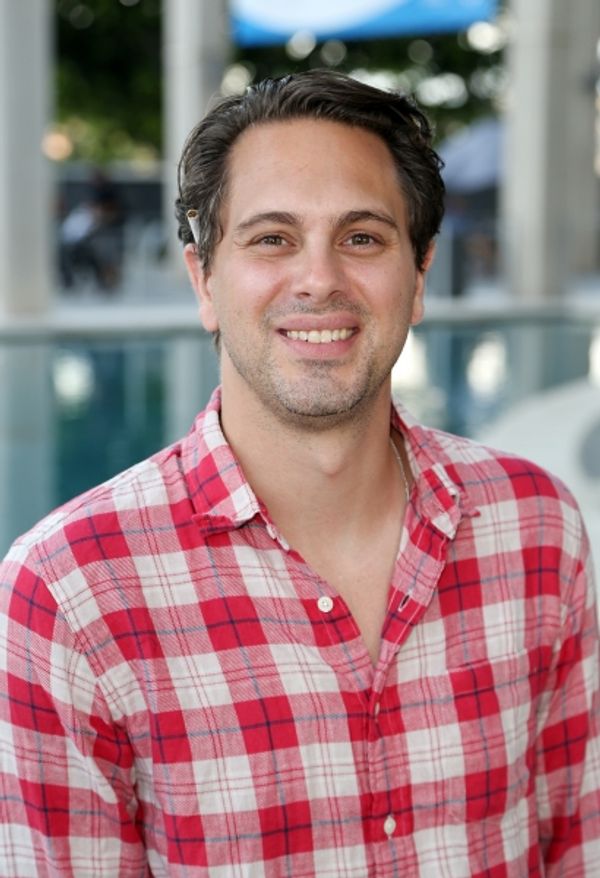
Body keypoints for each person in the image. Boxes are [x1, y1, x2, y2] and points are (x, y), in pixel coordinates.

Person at [1, 71, 599, 877]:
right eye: (272, 239)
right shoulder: (68, 594)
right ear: (204, 280)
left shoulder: (537, 528)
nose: (320, 279)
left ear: (419, 277)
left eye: (363, 238)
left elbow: (578, 844)